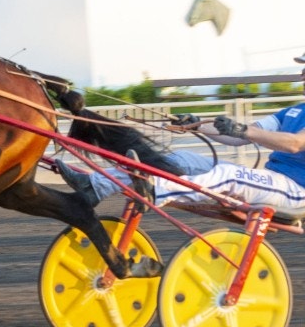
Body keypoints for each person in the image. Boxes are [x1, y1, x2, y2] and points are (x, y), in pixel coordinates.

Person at [58, 56, 305, 217]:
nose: (302, 74)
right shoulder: (291, 111)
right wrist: (196, 126)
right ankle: (95, 186)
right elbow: (239, 138)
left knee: (228, 175)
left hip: (296, 191)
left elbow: (295, 144)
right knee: (182, 158)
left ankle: (155, 189)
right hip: (273, 180)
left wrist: (244, 130)